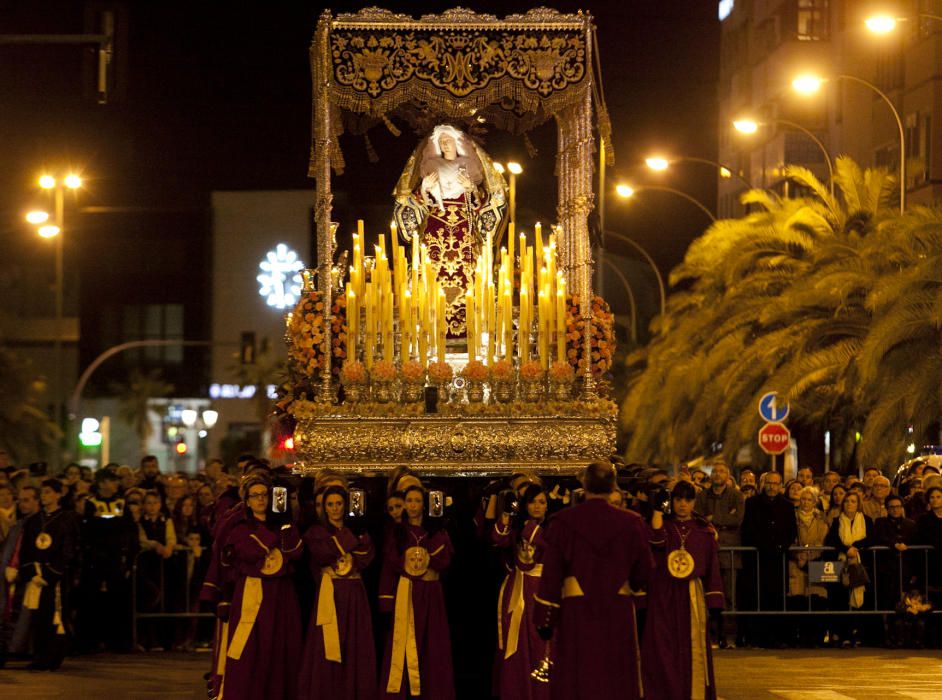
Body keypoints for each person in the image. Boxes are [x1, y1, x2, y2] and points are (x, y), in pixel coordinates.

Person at [534, 462, 652, 700]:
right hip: (617, 612)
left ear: (584, 485)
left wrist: (545, 619)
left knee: (579, 674)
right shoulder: (632, 523)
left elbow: (551, 576)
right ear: (613, 487)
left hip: (577, 612)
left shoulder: (563, 522)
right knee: (615, 675)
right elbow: (644, 574)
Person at [393, 124, 506, 337]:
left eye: (448, 140)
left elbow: (482, 206)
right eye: (441, 141)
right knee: (430, 276)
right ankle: (430, 329)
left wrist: (471, 189)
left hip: (465, 235)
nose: (445, 144)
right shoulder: (431, 168)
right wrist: (424, 189)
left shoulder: (468, 167)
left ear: (457, 143)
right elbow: (415, 204)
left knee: (470, 277)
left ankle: (470, 331)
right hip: (435, 232)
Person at [220, 472, 303, 700]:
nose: (260, 500)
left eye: (264, 495)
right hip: (252, 593)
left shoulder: (283, 524)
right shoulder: (239, 526)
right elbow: (248, 550)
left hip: (280, 594)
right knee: (251, 650)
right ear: (246, 500)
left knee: (280, 648)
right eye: (254, 495)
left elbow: (295, 551)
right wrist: (273, 536)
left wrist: (284, 525)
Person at [642, 481, 724, 700]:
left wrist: (715, 604)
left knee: (691, 650)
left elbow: (712, 568)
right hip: (664, 595)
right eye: (678, 499)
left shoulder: (703, 532)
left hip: (691, 596)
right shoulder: (665, 526)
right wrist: (658, 511)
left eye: (687, 500)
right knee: (662, 647)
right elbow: (655, 541)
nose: (682, 505)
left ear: (694, 502)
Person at [299, 486, 376, 700]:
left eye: (339, 504)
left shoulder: (358, 529)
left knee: (355, 646)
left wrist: (350, 537)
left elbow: (366, 558)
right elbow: (322, 554)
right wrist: (350, 537)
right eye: (330, 504)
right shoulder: (316, 532)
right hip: (329, 595)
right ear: (324, 507)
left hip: (354, 594)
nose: (335, 509)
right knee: (327, 645)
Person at [379, 484, 455, 699]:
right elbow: (390, 566)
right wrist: (386, 600)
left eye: (417, 501)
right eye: (409, 501)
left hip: (431, 595)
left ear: (424, 504)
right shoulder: (398, 532)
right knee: (404, 642)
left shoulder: (436, 532)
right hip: (407, 594)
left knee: (432, 644)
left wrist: (437, 532)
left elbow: (444, 561)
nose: (412, 505)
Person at [491, 483, 550, 700]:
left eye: (542, 502)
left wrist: (530, 529)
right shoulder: (517, 528)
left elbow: (549, 546)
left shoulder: (552, 528)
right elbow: (497, 539)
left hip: (542, 591)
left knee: (541, 643)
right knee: (515, 643)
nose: (537, 506)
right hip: (518, 590)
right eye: (532, 502)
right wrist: (506, 514)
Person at [16, 478, 81, 670]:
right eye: (43, 492)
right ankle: (41, 655)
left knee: (57, 616)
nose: (45, 496)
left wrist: (52, 573)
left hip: (56, 577)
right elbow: (26, 548)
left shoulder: (67, 519)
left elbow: (68, 549)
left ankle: (54, 656)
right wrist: (31, 571)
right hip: (37, 576)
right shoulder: (34, 521)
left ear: (58, 495)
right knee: (39, 617)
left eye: (49, 492)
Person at [740, 471, 796, 647]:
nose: (772, 487)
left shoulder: (787, 506)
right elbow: (748, 530)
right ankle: (757, 637)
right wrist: (763, 545)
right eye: (769, 483)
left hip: (778, 559)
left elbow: (791, 531)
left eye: (776, 483)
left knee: (777, 598)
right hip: (758, 559)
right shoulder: (752, 503)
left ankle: (776, 637)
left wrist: (780, 546)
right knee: (757, 598)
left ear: (781, 485)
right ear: (764, 484)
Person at [694, 461, 744, 648]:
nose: (717, 474)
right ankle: (712, 636)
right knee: (710, 596)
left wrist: (713, 519)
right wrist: (723, 521)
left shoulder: (736, 496)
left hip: (730, 555)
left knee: (730, 597)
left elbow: (737, 519)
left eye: (722, 471)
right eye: (714, 471)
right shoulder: (702, 496)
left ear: (728, 475)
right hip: (708, 553)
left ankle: (729, 636)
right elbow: (698, 518)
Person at [825, 491, 873, 646]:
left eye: (853, 501)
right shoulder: (837, 520)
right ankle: (843, 634)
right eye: (846, 501)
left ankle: (859, 634)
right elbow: (832, 539)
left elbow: (871, 538)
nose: (849, 504)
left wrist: (855, 547)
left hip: (860, 565)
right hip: (842, 565)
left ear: (858, 504)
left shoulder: (866, 520)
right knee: (841, 599)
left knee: (861, 599)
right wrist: (846, 549)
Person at [787, 487, 829, 646]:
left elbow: (822, 540)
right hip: (796, 564)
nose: (806, 502)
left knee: (816, 599)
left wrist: (809, 555)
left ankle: (815, 637)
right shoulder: (792, 517)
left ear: (815, 501)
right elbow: (789, 538)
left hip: (815, 563)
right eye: (803, 499)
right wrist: (798, 554)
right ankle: (797, 637)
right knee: (797, 600)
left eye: (809, 499)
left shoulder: (821, 519)